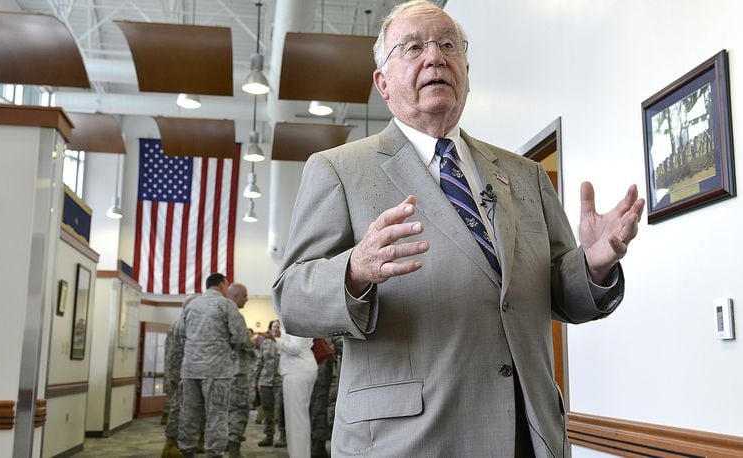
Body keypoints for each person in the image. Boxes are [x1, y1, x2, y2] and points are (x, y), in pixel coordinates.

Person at [272, 1, 645, 456]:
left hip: (529, 433)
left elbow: (558, 295)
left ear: (465, 70)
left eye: (448, 45)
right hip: (408, 439)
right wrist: (354, 269)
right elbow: (292, 298)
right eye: (412, 48)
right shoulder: (337, 169)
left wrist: (592, 265)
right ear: (382, 84)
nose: (434, 57)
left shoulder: (523, 173)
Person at [178, 273, 249, 458]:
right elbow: (241, 337)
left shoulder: (192, 304)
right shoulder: (226, 305)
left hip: (190, 370)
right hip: (216, 371)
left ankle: (187, 451)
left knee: (189, 413)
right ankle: (214, 453)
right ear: (222, 285)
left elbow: (181, 334)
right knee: (216, 415)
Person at [161, 295, 203, 458]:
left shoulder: (176, 323)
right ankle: (171, 444)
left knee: (180, 407)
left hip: (176, 371)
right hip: (182, 373)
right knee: (180, 408)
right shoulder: (185, 323)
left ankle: (176, 443)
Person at [276, 323, 318, 458]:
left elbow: (296, 347)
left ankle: (300, 455)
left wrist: (276, 339)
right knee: (295, 420)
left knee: (297, 421)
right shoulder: (295, 316)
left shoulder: (297, 317)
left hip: (298, 370)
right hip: (296, 370)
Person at [225, 283, 256, 458]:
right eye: (244, 295)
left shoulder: (219, 311)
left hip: (222, 372)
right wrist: (253, 342)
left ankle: (227, 443)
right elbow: (244, 342)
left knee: (225, 410)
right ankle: (234, 448)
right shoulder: (234, 314)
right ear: (235, 296)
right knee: (239, 410)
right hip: (237, 373)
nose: (247, 299)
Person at [254, 319, 286, 448]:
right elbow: (259, 362)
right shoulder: (265, 343)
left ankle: (283, 436)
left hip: (280, 382)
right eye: (274, 327)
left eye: (278, 327)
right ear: (270, 328)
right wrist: (255, 381)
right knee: (268, 411)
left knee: (281, 410)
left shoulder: (284, 343)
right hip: (265, 381)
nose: (276, 329)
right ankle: (269, 435)